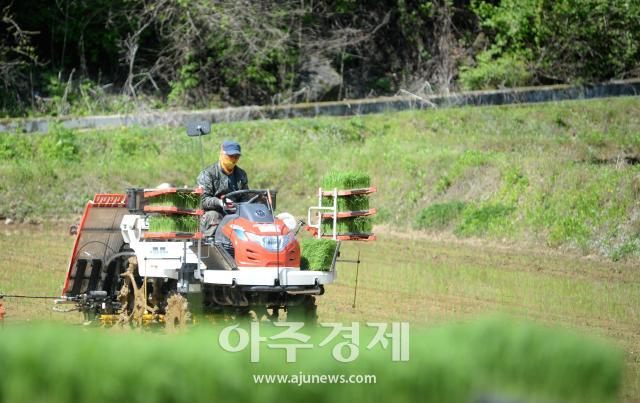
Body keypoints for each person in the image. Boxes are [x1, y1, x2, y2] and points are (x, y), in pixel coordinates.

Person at [197, 141, 248, 237]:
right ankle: (211, 244)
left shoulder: (241, 174)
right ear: (222, 154)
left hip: (235, 212)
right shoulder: (208, 174)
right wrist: (220, 202)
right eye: (230, 156)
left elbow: (246, 197)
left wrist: (238, 206)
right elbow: (202, 200)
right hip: (214, 212)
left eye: (236, 156)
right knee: (213, 216)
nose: (233, 159)